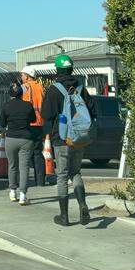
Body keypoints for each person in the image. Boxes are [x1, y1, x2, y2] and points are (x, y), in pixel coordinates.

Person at [40, 54, 92, 226]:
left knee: (62, 176)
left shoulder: (54, 90)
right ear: (71, 69)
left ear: (57, 70)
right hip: (79, 138)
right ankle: (83, 205)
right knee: (76, 173)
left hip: (61, 139)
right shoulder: (81, 87)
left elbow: (46, 114)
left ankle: (64, 216)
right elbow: (92, 110)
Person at [1, 80, 37, 205]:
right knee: (24, 167)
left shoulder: (6, 106)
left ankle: (12, 191)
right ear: (22, 93)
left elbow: (2, 123)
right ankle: (23, 195)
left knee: (12, 166)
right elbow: (33, 119)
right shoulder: (28, 105)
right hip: (26, 139)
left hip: (10, 138)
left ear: (10, 93)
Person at [20, 69, 47, 187]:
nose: (21, 77)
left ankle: (23, 182)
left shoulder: (24, 87)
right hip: (40, 123)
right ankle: (40, 181)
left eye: (22, 75)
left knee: (24, 154)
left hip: (27, 124)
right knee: (38, 153)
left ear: (27, 76)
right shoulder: (41, 87)